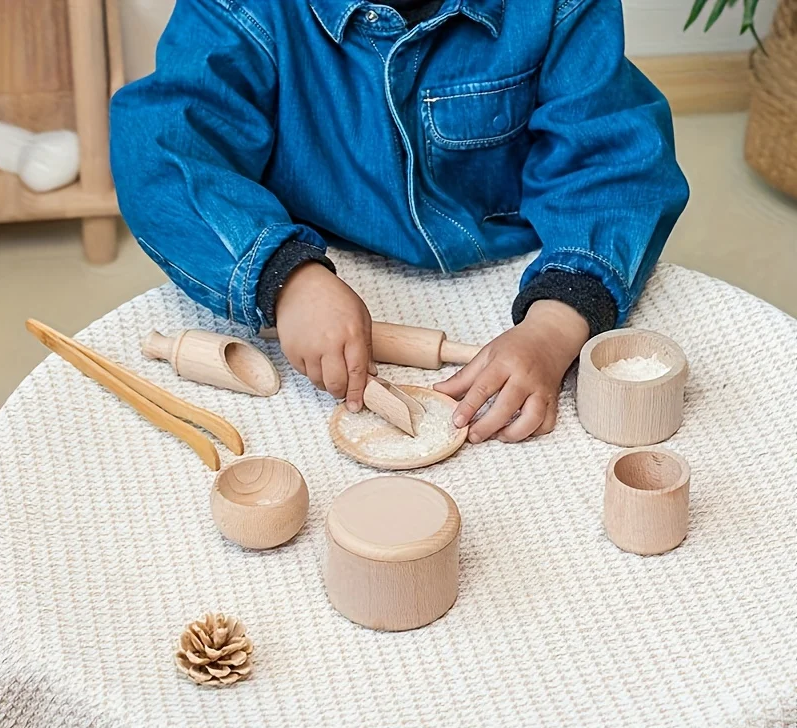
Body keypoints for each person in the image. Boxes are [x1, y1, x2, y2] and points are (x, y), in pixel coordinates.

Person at [110, 0, 689, 444]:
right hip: (323, 264)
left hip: (528, 268)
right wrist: (286, 279)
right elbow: (162, 147)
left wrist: (555, 326)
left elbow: (612, 164)